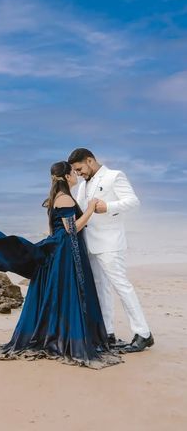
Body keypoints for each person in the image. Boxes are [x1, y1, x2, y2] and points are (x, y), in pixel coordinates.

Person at [0, 161, 122, 369]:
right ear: (67, 177)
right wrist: (91, 209)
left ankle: (63, 332)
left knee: (64, 295)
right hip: (65, 251)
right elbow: (71, 229)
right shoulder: (64, 198)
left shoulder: (58, 197)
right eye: (73, 173)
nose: (76, 176)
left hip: (62, 249)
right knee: (70, 294)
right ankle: (68, 338)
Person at [68, 148, 153, 353]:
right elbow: (80, 210)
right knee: (100, 289)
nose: (79, 174)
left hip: (111, 244)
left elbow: (133, 201)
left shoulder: (115, 176)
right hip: (90, 243)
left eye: (80, 169)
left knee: (122, 286)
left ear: (90, 160)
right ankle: (107, 333)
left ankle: (143, 334)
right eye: (76, 172)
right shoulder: (82, 186)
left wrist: (109, 206)